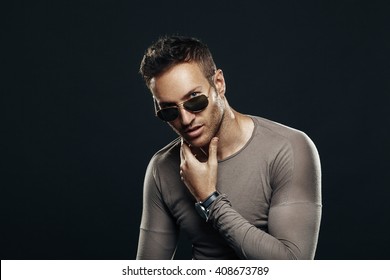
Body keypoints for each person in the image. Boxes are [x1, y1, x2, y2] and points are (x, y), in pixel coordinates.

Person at [136, 35, 322, 260]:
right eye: (169, 110)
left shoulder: (289, 148)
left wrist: (209, 200)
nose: (185, 120)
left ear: (219, 84)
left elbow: (294, 265)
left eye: (195, 100)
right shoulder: (162, 168)